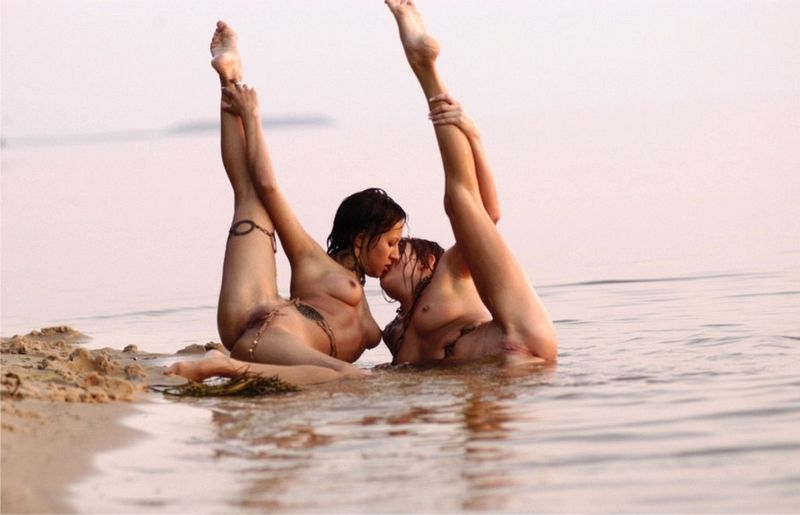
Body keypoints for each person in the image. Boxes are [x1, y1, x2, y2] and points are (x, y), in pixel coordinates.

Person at [167, 21, 406, 385]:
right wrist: (252, 116)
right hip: (271, 335)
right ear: (361, 239)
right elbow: (269, 185)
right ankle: (223, 366)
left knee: (245, 195)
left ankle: (230, 75)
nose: (395, 253)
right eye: (391, 242)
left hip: (255, 317)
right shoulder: (314, 260)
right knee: (353, 378)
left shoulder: (358, 293)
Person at [380, 0, 558, 365]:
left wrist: (474, 139)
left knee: (460, 202)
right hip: (495, 373)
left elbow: (487, 215)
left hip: (519, 335)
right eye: (391, 247)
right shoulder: (393, 332)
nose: (392, 255)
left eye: (401, 248)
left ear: (428, 259)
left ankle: (426, 69)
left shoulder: (449, 270)